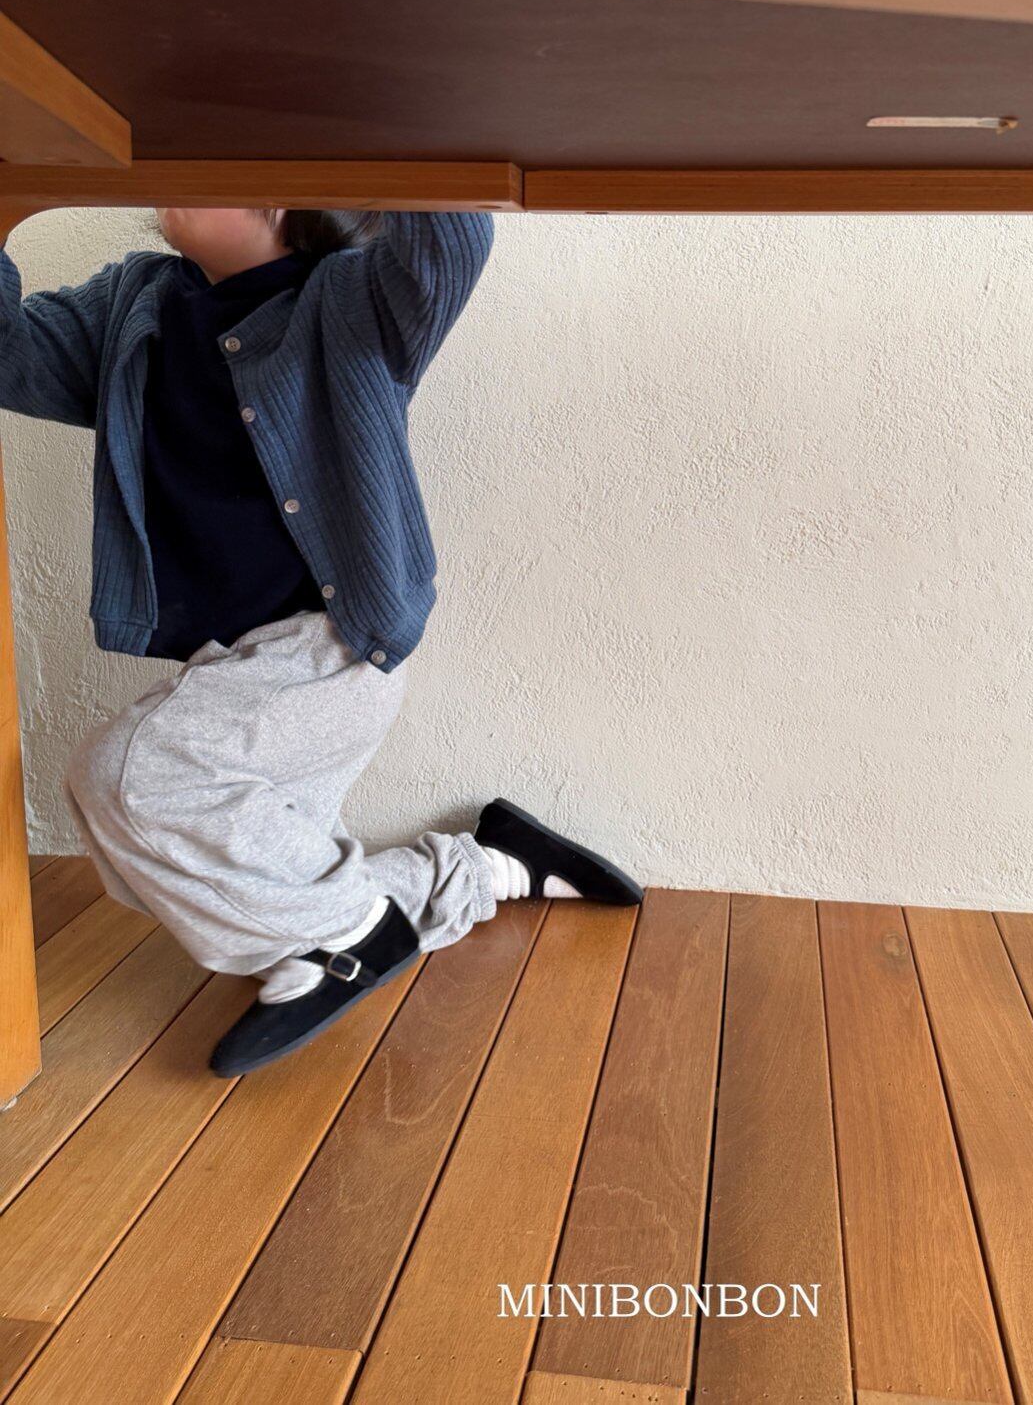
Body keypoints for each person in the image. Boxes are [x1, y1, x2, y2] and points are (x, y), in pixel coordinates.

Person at [0, 206, 642, 1077]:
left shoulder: (356, 302)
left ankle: (352, 938)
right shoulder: (133, 303)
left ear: (283, 192)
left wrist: (357, 138)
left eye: (207, 152)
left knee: (126, 776)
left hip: (329, 653)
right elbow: (10, 355)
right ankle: (496, 868)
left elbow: (453, 230)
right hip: (236, 669)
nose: (167, 164)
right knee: (227, 866)